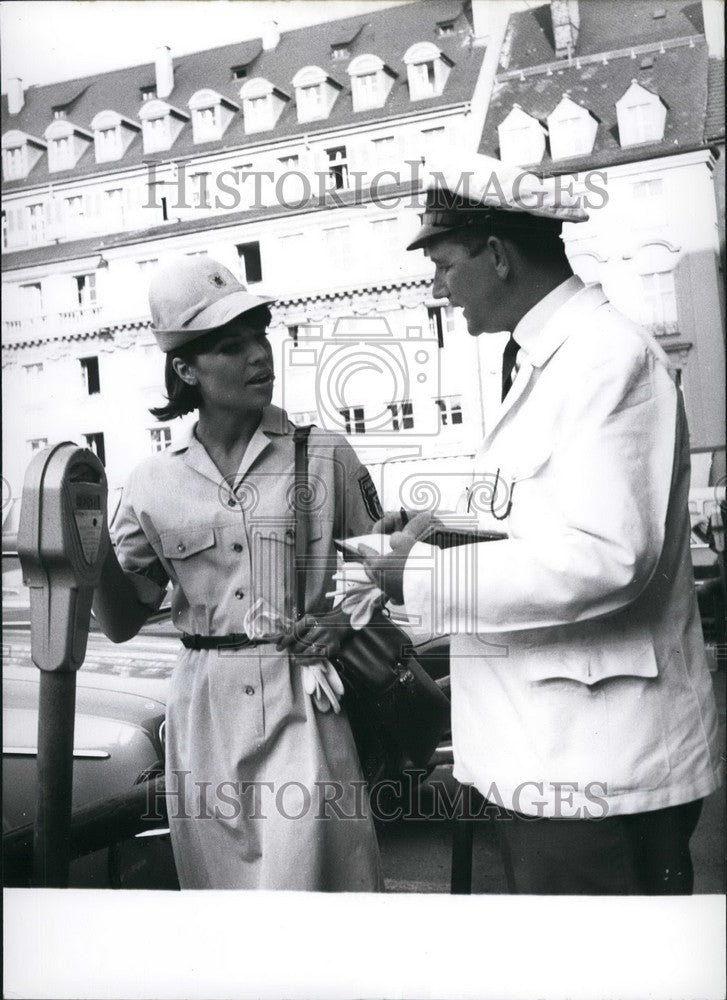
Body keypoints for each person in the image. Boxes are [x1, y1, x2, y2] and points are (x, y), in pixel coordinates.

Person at [362, 153, 721, 895]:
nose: (436, 287)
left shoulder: (603, 359)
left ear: (495, 255)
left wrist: (418, 574)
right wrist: (437, 524)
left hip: (593, 763)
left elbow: (605, 556)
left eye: (442, 262)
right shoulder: (552, 358)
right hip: (554, 752)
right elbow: (547, 516)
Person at [92, 255, 383, 891]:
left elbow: (384, 565)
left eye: (260, 336)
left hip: (301, 699)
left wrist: (340, 616)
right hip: (204, 713)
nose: (259, 356)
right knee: (222, 906)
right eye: (232, 346)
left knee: (315, 895)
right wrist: (81, 542)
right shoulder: (150, 482)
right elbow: (118, 621)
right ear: (185, 369)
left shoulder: (324, 452)